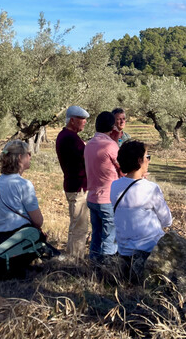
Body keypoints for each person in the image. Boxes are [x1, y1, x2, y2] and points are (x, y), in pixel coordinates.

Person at [111, 140, 172, 279]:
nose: (149, 160)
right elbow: (167, 221)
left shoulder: (114, 186)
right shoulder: (151, 189)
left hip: (124, 250)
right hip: (148, 250)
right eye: (147, 157)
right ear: (140, 161)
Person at [0, 140, 44, 250]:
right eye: (29, 154)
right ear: (20, 157)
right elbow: (38, 221)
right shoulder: (23, 184)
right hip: (18, 242)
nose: (30, 157)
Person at [84, 110, 121, 262]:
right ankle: (107, 270)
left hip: (92, 197)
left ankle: (93, 267)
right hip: (107, 199)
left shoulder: (89, 145)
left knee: (96, 237)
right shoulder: (110, 146)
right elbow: (123, 169)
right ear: (112, 127)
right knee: (109, 238)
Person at [55, 105, 90, 260]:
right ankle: (75, 261)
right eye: (82, 119)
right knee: (79, 227)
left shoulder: (67, 136)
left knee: (76, 225)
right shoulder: (70, 138)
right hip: (77, 187)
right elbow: (85, 159)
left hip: (74, 185)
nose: (84, 122)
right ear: (73, 120)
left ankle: (72, 257)